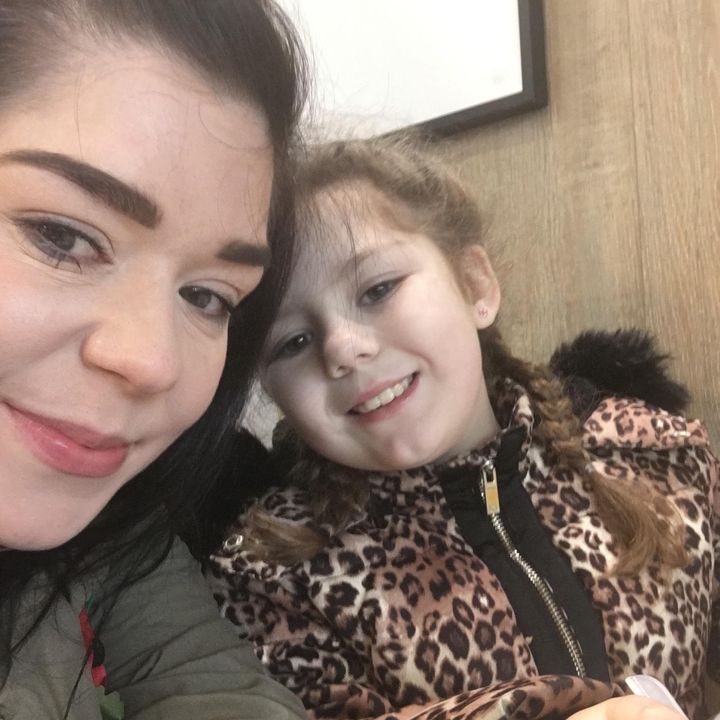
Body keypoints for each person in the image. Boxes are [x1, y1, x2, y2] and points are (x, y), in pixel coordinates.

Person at [206, 136, 720, 720]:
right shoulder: (272, 576)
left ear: (475, 284)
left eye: (377, 289)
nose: (342, 349)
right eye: (293, 341)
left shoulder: (658, 454)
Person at [0, 1, 310, 718]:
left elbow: (217, 688)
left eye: (206, 296)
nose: (153, 361)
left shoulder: (118, 531)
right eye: (61, 237)